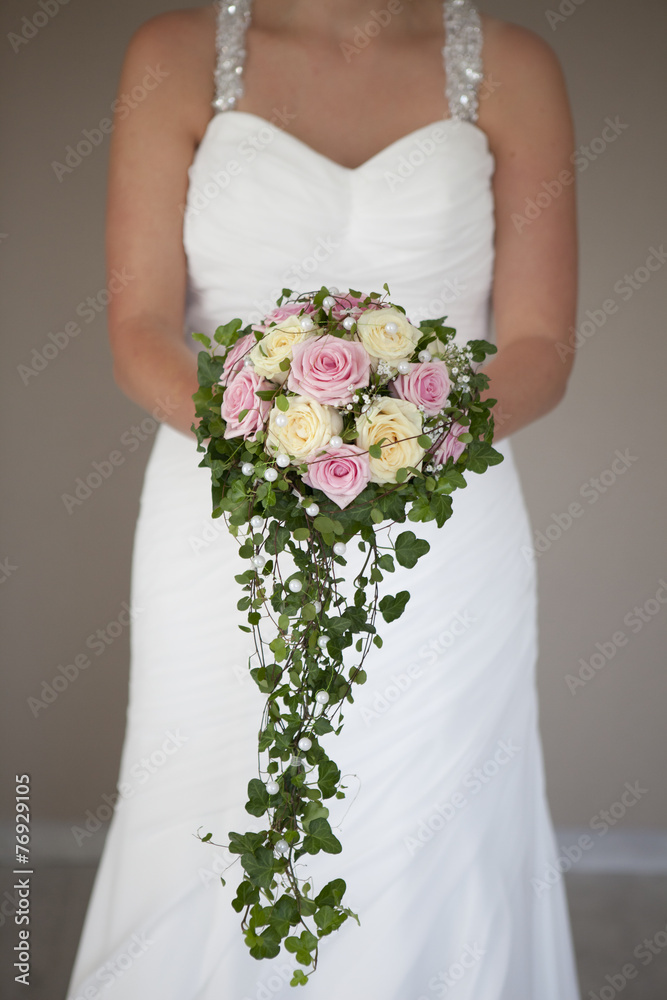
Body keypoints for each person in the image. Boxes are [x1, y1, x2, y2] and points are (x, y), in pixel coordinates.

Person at [66, 1, 581, 997]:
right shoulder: (174, 55)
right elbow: (140, 331)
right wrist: (270, 437)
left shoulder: (513, 66)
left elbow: (539, 347)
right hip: (222, 513)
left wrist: (407, 440)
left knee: (433, 817)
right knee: (209, 798)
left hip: (441, 520)